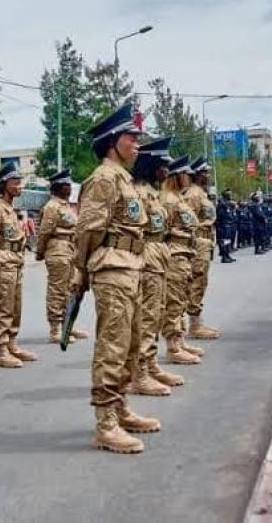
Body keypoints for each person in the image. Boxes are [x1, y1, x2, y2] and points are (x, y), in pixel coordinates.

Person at [72, 102, 160, 455]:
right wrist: (81, 270)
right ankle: (105, 422)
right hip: (112, 267)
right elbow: (87, 230)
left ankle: (120, 406)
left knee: (131, 342)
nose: (137, 145)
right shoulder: (103, 179)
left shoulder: (123, 179)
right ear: (112, 141)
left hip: (132, 264)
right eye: (131, 137)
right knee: (113, 343)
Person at [130, 137, 185, 395]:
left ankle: (151, 364)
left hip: (159, 255)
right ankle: (138, 372)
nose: (167, 170)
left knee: (157, 312)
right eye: (162, 165)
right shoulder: (138, 193)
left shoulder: (153, 194)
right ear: (150, 165)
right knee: (146, 316)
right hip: (146, 257)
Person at [0, 161, 37, 367]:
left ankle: (12, 344)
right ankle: (2, 350)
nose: (20, 185)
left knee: (16, 307)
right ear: (4, 184)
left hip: (15, 263)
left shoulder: (10, 210)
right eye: (16, 181)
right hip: (2, 264)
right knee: (3, 308)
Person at [161, 155, 204, 365]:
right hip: (174, 256)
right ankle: (173, 346)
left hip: (185, 255)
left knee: (181, 299)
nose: (190, 177)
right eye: (186, 174)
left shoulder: (178, 199)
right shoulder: (167, 200)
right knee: (174, 301)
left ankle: (181, 339)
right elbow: (161, 232)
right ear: (177, 176)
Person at [35, 169, 84, 343]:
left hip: (70, 249)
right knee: (57, 289)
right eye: (66, 185)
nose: (69, 188)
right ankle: (55, 328)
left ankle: (67, 323)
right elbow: (44, 232)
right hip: (58, 249)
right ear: (57, 187)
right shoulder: (52, 207)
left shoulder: (66, 206)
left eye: (69, 184)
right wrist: (40, 251)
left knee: (70, 288)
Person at [184, 156, 221, 340]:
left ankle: (196, 322)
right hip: (197, 241)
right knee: (196, 282)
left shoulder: (202, 193)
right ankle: (193, 325)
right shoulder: (193, 195)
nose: (208, 175)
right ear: (197, 174)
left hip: (205, 241)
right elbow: (187, 222)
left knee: (201, 282)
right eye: (205, 172)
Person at [216, 190, 237, 263]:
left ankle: (227, 255)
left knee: (228, 241)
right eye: (229, 194)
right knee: (224, 241)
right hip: (223, 225)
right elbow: (221, 215)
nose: (230, 196)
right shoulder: (221, 204)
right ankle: (224, 257)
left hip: (228, 225)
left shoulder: (227, 204)